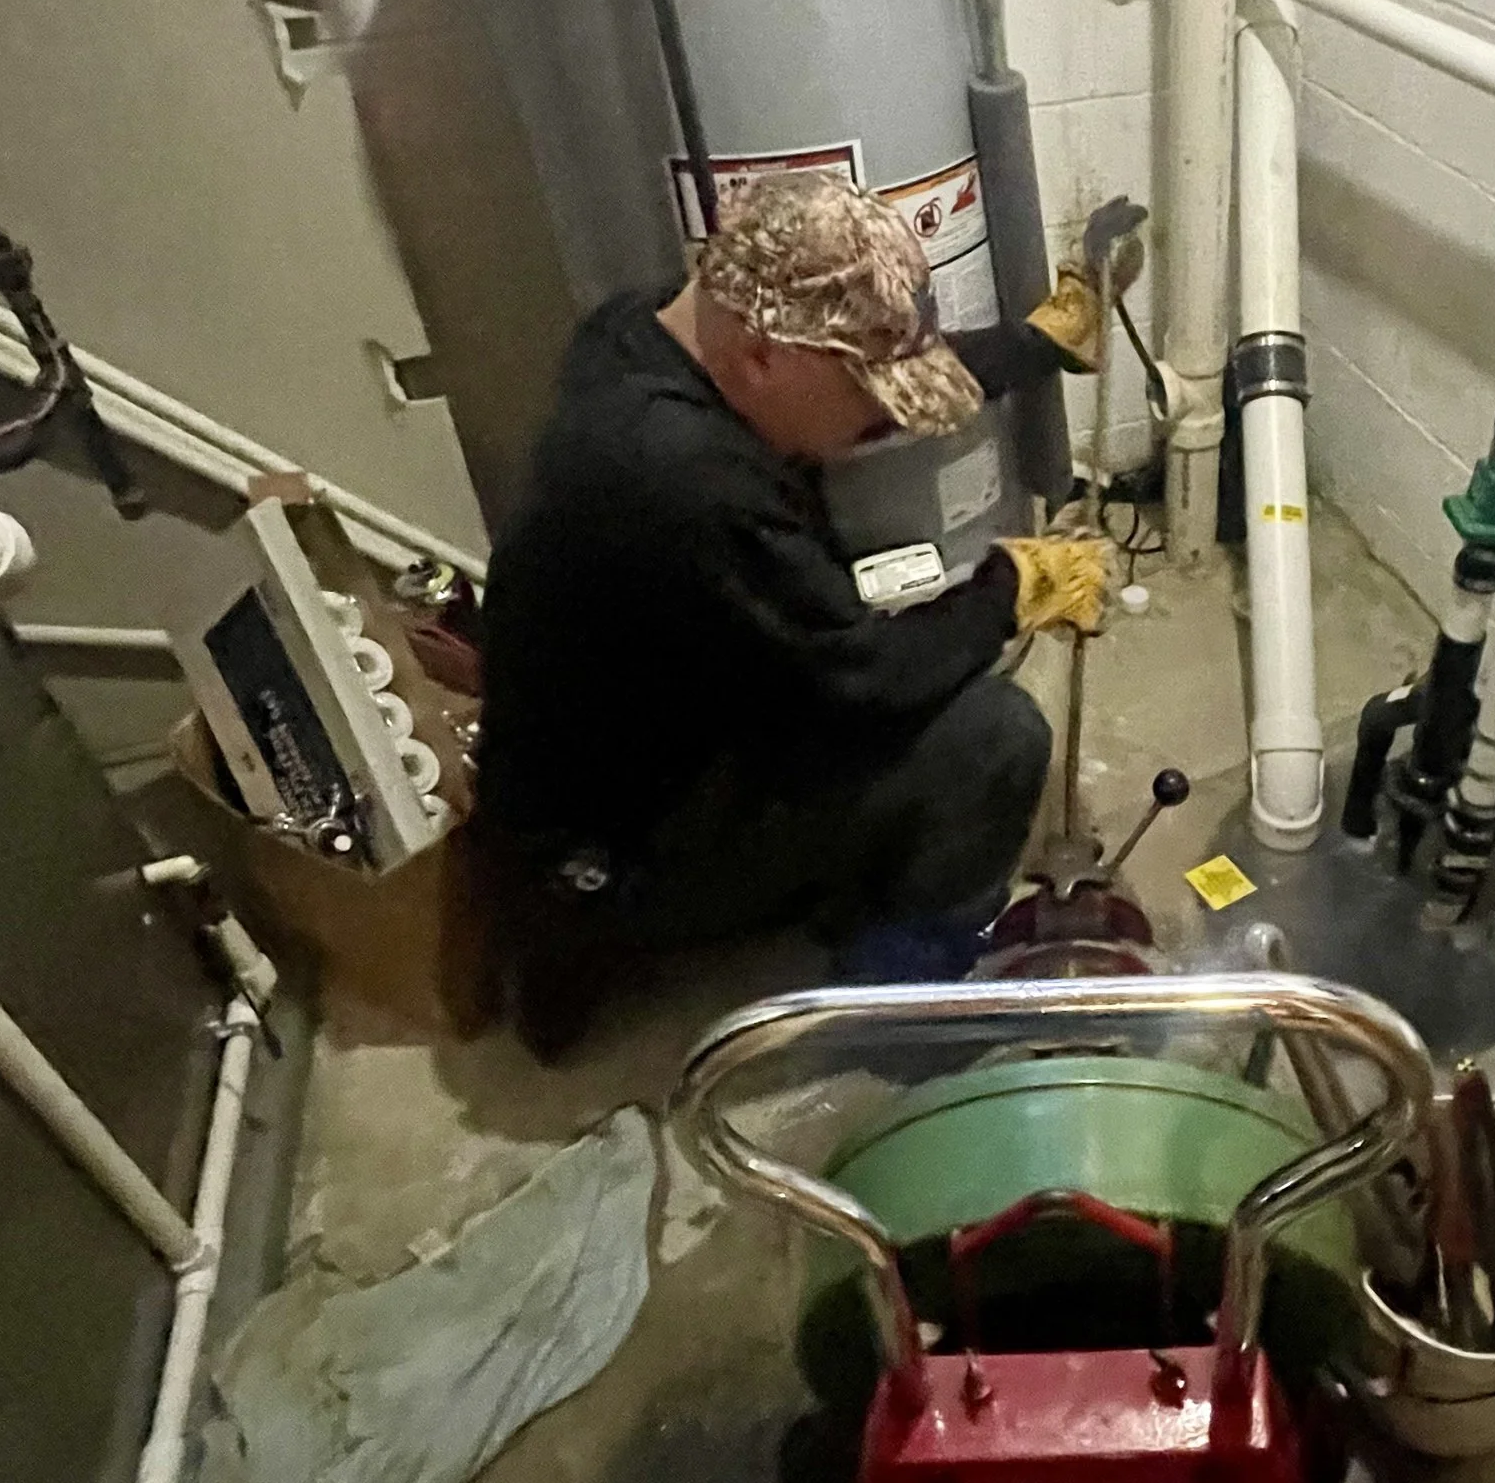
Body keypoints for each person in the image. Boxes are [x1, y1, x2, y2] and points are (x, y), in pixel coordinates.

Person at [473, 170, 1119, 1055]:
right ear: (763, 357)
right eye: (865, 391)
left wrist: (1028, 346)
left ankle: (835, 897)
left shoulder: (647, 333)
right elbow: (866, 679)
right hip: (614, 864)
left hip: (622, 762)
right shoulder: (687, 484)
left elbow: (849, 398)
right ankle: (903, 1012)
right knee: (994, 737)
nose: (879, 416)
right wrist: (1010, 588)